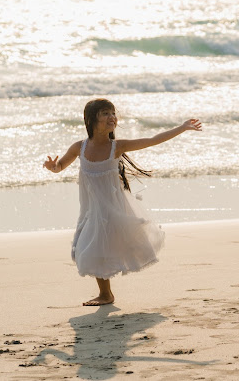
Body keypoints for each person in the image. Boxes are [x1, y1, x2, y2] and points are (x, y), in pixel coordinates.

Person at [43, 98, 202, 306]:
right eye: (105, 114)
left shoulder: (116, 147)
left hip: (113, 208)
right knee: (89, 248)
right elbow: (60, 167)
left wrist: (182, 128)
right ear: (91, 120)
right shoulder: (79, 148)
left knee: (101, 247)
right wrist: (53, 166)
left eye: (113, 113)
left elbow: (153, 139)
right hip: (91, 209)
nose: (112, 117)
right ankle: (106, 293)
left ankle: (105, 295)